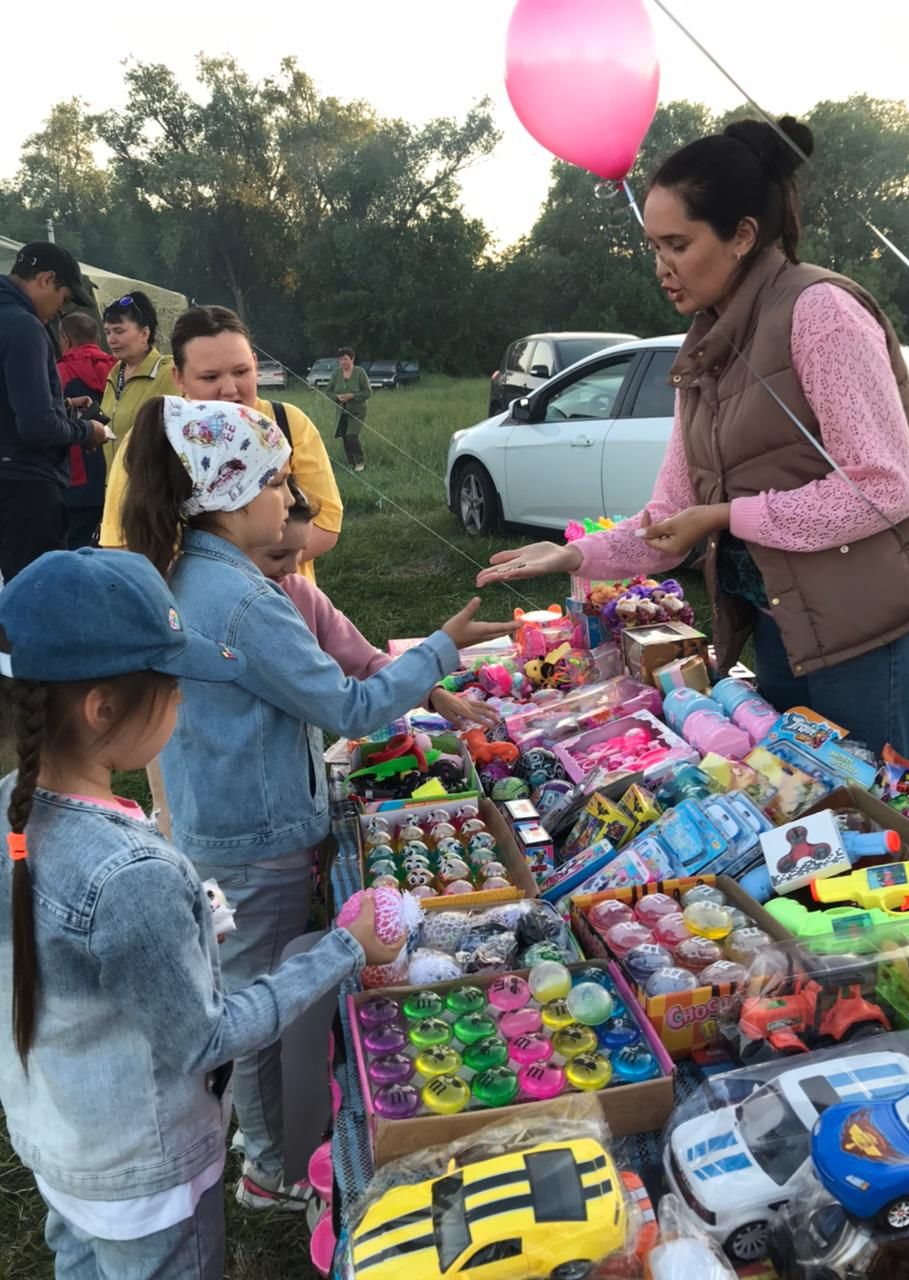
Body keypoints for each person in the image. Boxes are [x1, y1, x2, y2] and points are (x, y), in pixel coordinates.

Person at [121, 395, 517, 1210]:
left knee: (253, 991)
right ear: (227, 494)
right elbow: (349, 706)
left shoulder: (198, 574)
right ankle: (268, 1168)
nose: (286, 500)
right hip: (250, 834)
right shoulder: (238, 599)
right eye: (274, 484)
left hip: (229, 819)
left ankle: (261, 1137)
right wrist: (439, 649)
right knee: (258, 1011)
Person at [478, 116, 909, 760]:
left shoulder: (819, 312)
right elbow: (672, 512)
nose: (661, 267)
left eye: (677, 244)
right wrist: (575, 557)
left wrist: (730, 515)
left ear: (742, 236)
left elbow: (882, 490)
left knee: (865, 826)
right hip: (780, 627)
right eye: (653, 247)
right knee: (799, 820)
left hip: (862, 640)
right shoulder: (707, 345)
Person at [0, 546, 400, 1278]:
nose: (186, 701)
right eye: (175, 685)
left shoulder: (16, 811)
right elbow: (205, 1038)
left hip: (59, 1143)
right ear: (103, 709)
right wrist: (343, 947)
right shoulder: (131, 872)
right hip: (148, 1178)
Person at [101, 305, 343, 581]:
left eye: (241, 372)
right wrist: (215, 581)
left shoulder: (286, 422)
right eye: (210, 377)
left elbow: (325, 524)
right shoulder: (153, 436)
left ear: (255, 364)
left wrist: (247, 574)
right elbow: (120, 543)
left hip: (285, 601)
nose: (230, 389)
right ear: (178, 378)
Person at [249, 483, 501, 730]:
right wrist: (441, 648)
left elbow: (365, 660)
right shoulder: (244, 611)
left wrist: (432, 693)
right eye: (277, 555)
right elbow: (350, 710)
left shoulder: (301, 592)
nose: (293, 567)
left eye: (301, 552)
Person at [0, 243, 110, 583]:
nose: (61, 310)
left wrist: (59, 406)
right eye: (64, 297)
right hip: (26, 489)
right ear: (47, 279)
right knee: (41, 599)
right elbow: (35, 426)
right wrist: (86, 431)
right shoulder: (24, 326)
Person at [98, 291, 177, 467]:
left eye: (119, 331)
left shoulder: (168, 373)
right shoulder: (115, 374)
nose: (111, 340)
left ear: (144, 333)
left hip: (151, 489)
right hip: (114, 487)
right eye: (107, 332)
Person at [56, 312, 114, 548]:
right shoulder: (118, 369)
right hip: (113, 476)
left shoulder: (58, 372)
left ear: (65, 339)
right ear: (97, 337)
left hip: (74, 481)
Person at [327, 346, 371, 471]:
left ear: (352, 359)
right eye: (340, 360)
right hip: (342, 411)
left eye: (345, 359)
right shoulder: (336, 374)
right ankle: (351, 463)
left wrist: (352, 396)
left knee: (352, 436)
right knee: (345, 437)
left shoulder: (360, 372)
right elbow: (328, 392)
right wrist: (337, 397)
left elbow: (368, 393)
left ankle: (360, 463)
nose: (343, 362)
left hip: (357, 411)